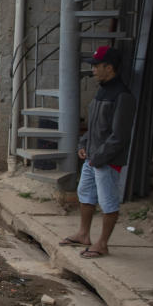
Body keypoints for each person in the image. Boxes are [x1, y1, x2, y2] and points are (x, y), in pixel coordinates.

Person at [60, 46, 135, 259]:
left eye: (96, 66)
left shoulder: (122, 96)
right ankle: (84, 234)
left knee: (108, 201)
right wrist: (83, 145)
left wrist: (99, 157)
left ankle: (102, 243)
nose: (92, 69)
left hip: (107, 160)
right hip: (93, 157)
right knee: (85, 194)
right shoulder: (101, 90)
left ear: (109, 67)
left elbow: (118, 136)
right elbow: (93, 126)